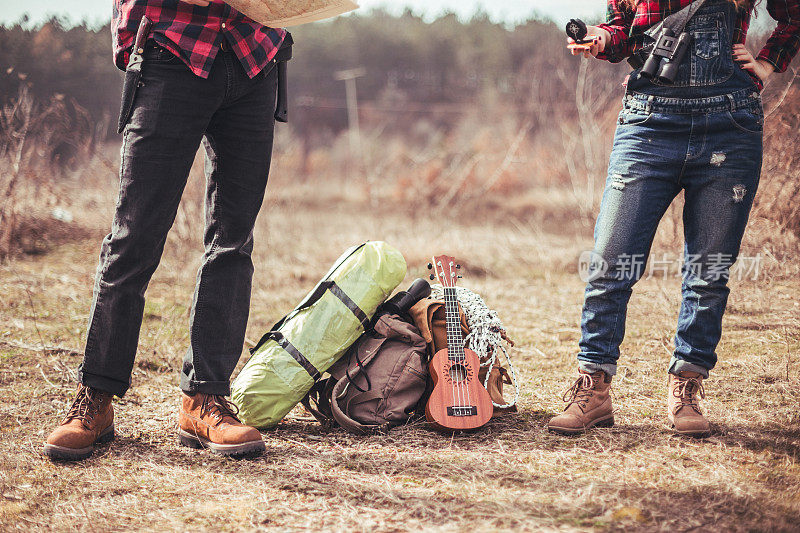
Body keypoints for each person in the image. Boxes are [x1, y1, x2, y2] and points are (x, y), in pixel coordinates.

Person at [44, 0, 288, 460]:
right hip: (172, 51)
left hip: (255, 55)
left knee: (232, 242)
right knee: (133, 237)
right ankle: (96, 397)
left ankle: (205, 399)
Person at [548, 0, 800, 437]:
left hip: (730, 123)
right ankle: (594, 386)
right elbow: (625, 32)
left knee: (708, 269)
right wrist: (601, 37)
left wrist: (767, 61)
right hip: (648, 122)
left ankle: (687, 384)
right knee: (610, 262)